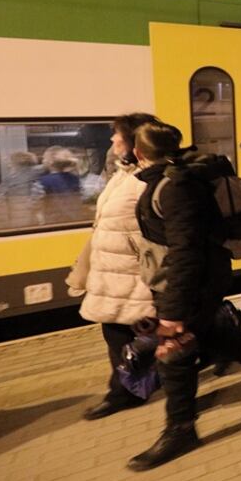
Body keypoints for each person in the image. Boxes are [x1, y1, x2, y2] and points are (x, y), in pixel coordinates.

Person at [129, 122, 241, 471]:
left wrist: (172, 310)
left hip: (191, 281)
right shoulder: (171, 180)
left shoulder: (174, 187)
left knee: (174, 353)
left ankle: (180, 429)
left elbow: (186, 251)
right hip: (193, 280)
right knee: (204, 332)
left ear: (139, 153)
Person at [65, 113, 161, 421]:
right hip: (114, 272)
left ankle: (125, 393)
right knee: (122, 335)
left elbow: (153, 236)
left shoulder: (144, 181)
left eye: (116, 135)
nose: (111, 139)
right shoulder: (124, 174)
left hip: (132, 276)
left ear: (134, 142)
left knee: (121, 336)